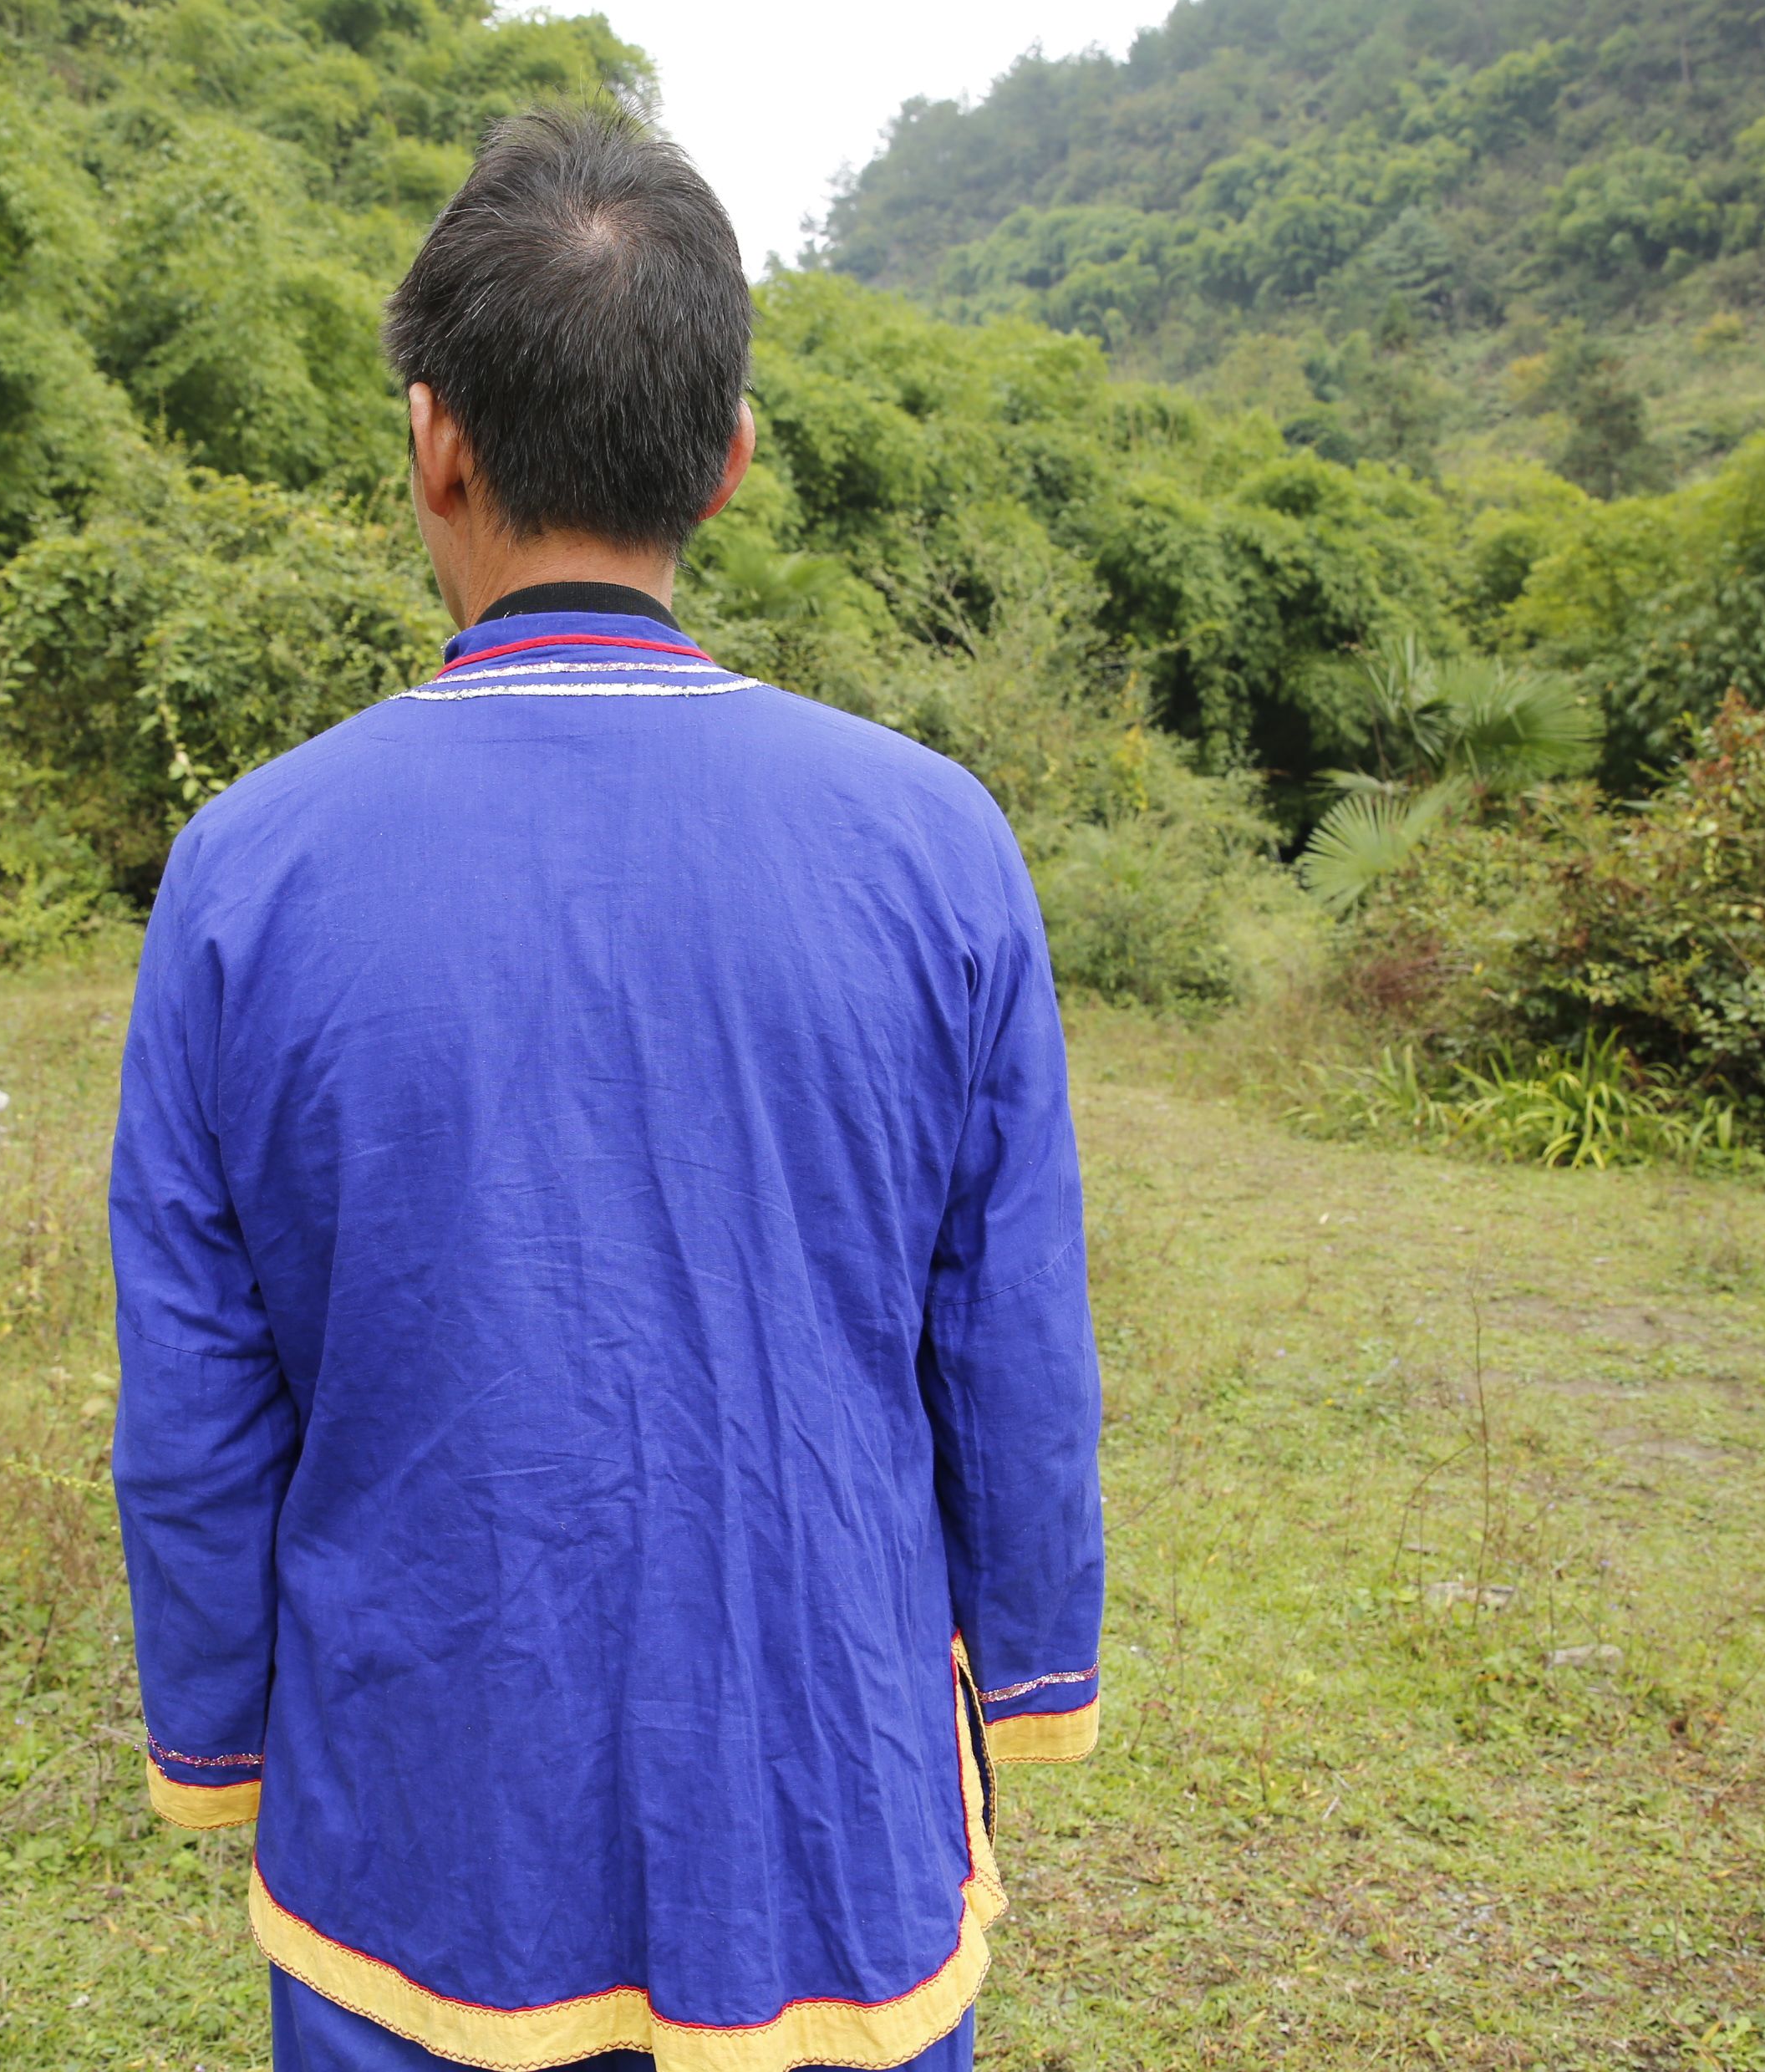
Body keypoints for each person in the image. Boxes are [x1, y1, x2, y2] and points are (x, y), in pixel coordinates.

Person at [109, 104, 1104, 2072]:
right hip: (825, 1817)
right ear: (728, 457)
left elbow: (199, 1390)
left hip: (418, 1831)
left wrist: (221, 1721)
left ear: (434, 442)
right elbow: (1013, 1341)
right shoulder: (936, 844)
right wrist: (1028, 1652)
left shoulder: (248, 869)